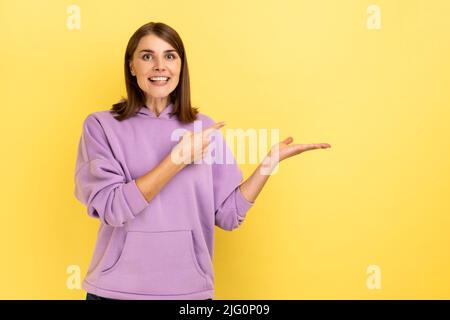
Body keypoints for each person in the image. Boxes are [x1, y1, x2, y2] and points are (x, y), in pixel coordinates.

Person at [74, 21, 331, 300]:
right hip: (114, 292)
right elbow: (112, 208)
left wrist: (270, 162)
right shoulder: (101, 126)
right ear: (132, 66)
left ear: (181, 67)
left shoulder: (204, 129)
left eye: (170, 56)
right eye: (147, 56)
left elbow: (228, 215)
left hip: (188, 294)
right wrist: (178, 159)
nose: (160, 66)